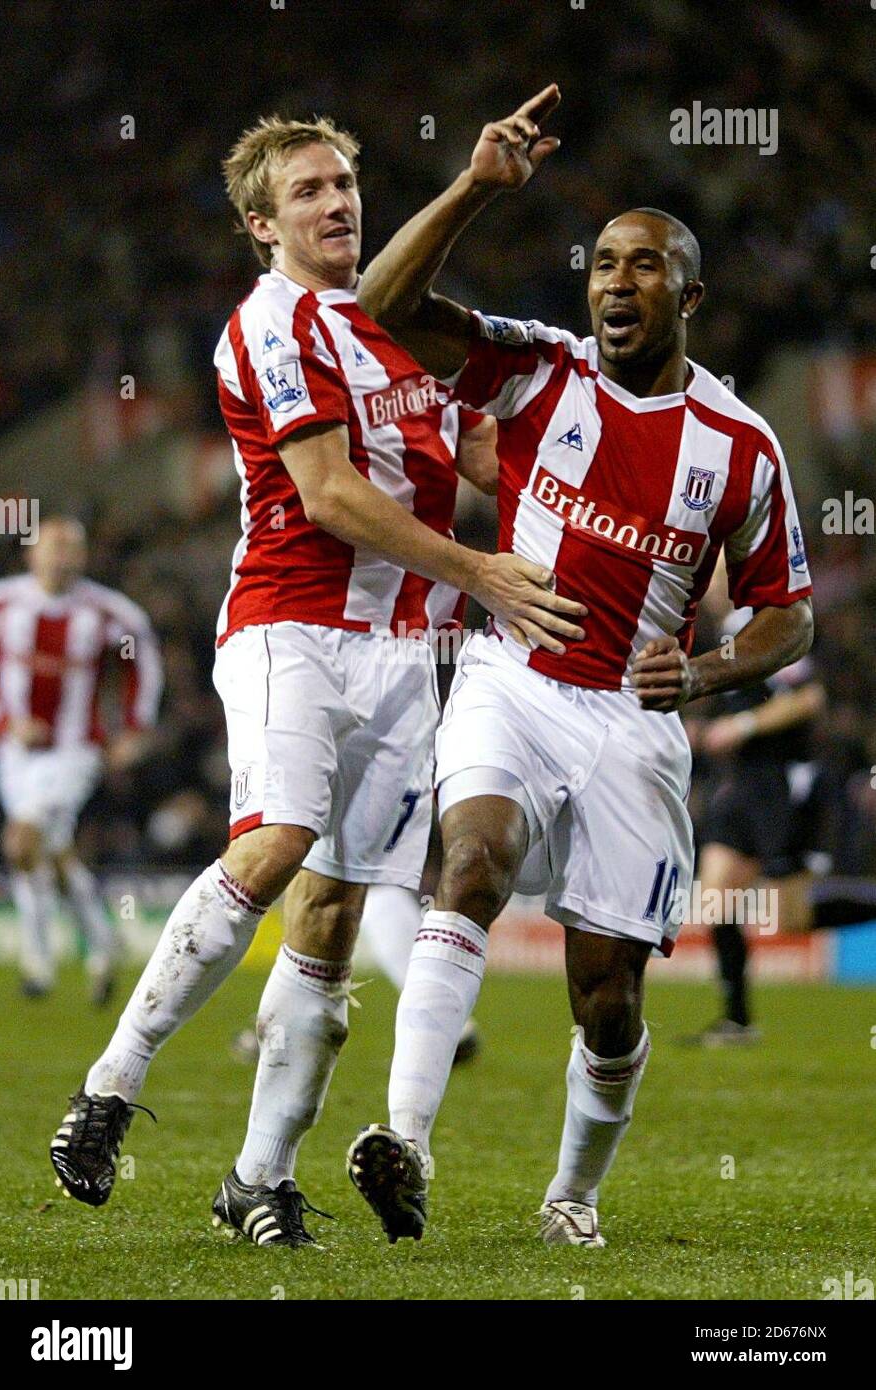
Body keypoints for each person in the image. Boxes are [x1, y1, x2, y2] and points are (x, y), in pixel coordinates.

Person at [49, 115, 581, 1246]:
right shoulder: (269, 326)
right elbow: (332, 497)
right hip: (290, 623)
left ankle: (256, 1179)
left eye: (345, 183)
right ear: (261, 225)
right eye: (308, 192)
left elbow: (497, 465)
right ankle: (109, 1083)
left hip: (405, 654)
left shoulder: (410, 333)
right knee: (279, 836)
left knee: (332, 920)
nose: (337, 203)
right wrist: (484, 571)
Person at [342, 84, 813, 1249]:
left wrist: (703, 675)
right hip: (511, 674)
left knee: (606, 1000)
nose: (615, 281)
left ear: (689, 294)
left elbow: (786, 617)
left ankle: (572, 1196)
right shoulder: (537, 370)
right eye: (603, 262)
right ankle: (404, 1136)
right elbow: (382, 302)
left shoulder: (741, 448)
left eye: (644, 265)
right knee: (474, 859)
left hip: (628, 722)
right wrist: (473, 184)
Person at [682, 559, 876, 1045]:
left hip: (781, 784)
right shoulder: (724, 629)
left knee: (793, 918)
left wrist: (742, 727)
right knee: (717, 898)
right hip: (741, 786)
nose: (709, 576)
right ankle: (738, 1020)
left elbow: (808, 699)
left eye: (720, 567)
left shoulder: (761, 625)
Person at [0, 517, 162, 1004]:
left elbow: (141, 663)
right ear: (31, 554)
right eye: (53, 547)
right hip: (14, 753)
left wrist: (135, 729)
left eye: (72, 548)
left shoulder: (108, 612)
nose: (62, 556)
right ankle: (103, 944)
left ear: (83, 557)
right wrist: (1, 723)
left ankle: (37, 964)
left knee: (21, 841)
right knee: (50, 854)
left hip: (75, 750)